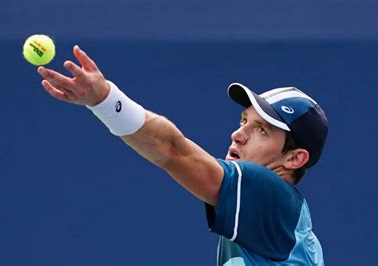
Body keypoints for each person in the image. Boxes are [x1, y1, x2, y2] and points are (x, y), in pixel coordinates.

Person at [37, 45, 328, 265]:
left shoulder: (270, 194)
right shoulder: (286, 225)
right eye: (243, 122)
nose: (237, 134)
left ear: (294, 159)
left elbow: (173, 151)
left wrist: (104, 100)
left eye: (262, 130)